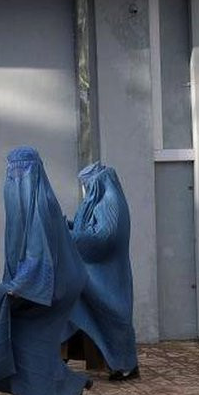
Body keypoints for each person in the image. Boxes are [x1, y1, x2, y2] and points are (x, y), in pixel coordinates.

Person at [0, 147, 92, 395]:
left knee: (28, 341)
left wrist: (21, 286)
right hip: (48, 282)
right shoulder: (26, 202)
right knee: (31, 342)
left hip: (52, 285)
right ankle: (69, 385)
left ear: (35, 172)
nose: (16, 176)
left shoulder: (39, 204)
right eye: (12, 170)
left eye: (22, 170)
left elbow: (38, 254)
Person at [65, 162, 139, 381]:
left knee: (114, 317)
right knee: (77, 312)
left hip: (106, 275)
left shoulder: (110, 202)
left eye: (87, 184)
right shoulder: (96, 201)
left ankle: (125, 364)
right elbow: (85, 228)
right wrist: (66, 225)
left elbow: (103, 239)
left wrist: (69, 237)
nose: (85, 188)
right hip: (92, 272)